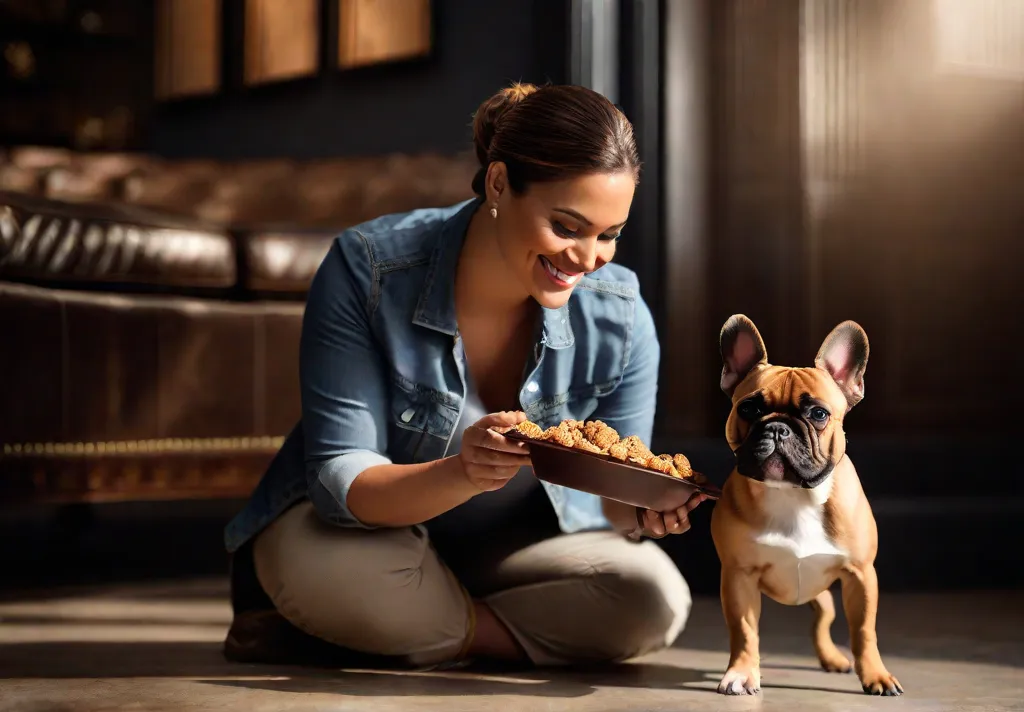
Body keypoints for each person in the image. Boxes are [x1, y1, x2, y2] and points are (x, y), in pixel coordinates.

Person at [222, 82, 709, 670]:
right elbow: (338, 480)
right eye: (566, 227)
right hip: (367, 539)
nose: (588, 259)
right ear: (499, 184)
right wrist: (464, 471)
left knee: (653, 600)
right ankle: (426, 625)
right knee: (336, 573)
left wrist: (644, 506)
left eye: (609, 235)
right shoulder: (368, 269)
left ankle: (392, 632)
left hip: (512, 552)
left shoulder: (622, 314)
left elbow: (608, 495)